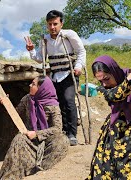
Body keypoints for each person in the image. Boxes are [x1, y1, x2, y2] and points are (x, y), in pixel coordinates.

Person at [87, 53, 131, 179]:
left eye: (106, 79)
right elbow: (117, 95)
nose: (104, 84)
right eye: (100, 81)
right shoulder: (104, 89)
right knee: (106, 169)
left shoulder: (130, 74)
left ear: (113, 71)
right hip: (116, 132)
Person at [25, 10, 86, 146]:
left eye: (55, 24)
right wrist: (31, 50)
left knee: (69, 100)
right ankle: (62, 131)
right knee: (58, 104)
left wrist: (79, 66)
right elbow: (40, 58)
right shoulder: (45, 39)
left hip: (69, 74)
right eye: (49, 24)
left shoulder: (69, 35)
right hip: (54, 76)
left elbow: (81, 51)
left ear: (61, 23)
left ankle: (72, 133)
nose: (52, 27)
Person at [0, 76, 69, 179]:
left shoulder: (53, 105)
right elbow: (16, 113)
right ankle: (11, 176)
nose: (30, 85)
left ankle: (41, 169)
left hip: (45, 137)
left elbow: (57, 128)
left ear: (41, 89)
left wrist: (37, 134)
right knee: (19, 139)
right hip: (28, 137)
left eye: (33, 84)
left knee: (63, 140)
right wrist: (6, 103)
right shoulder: (27, 99)